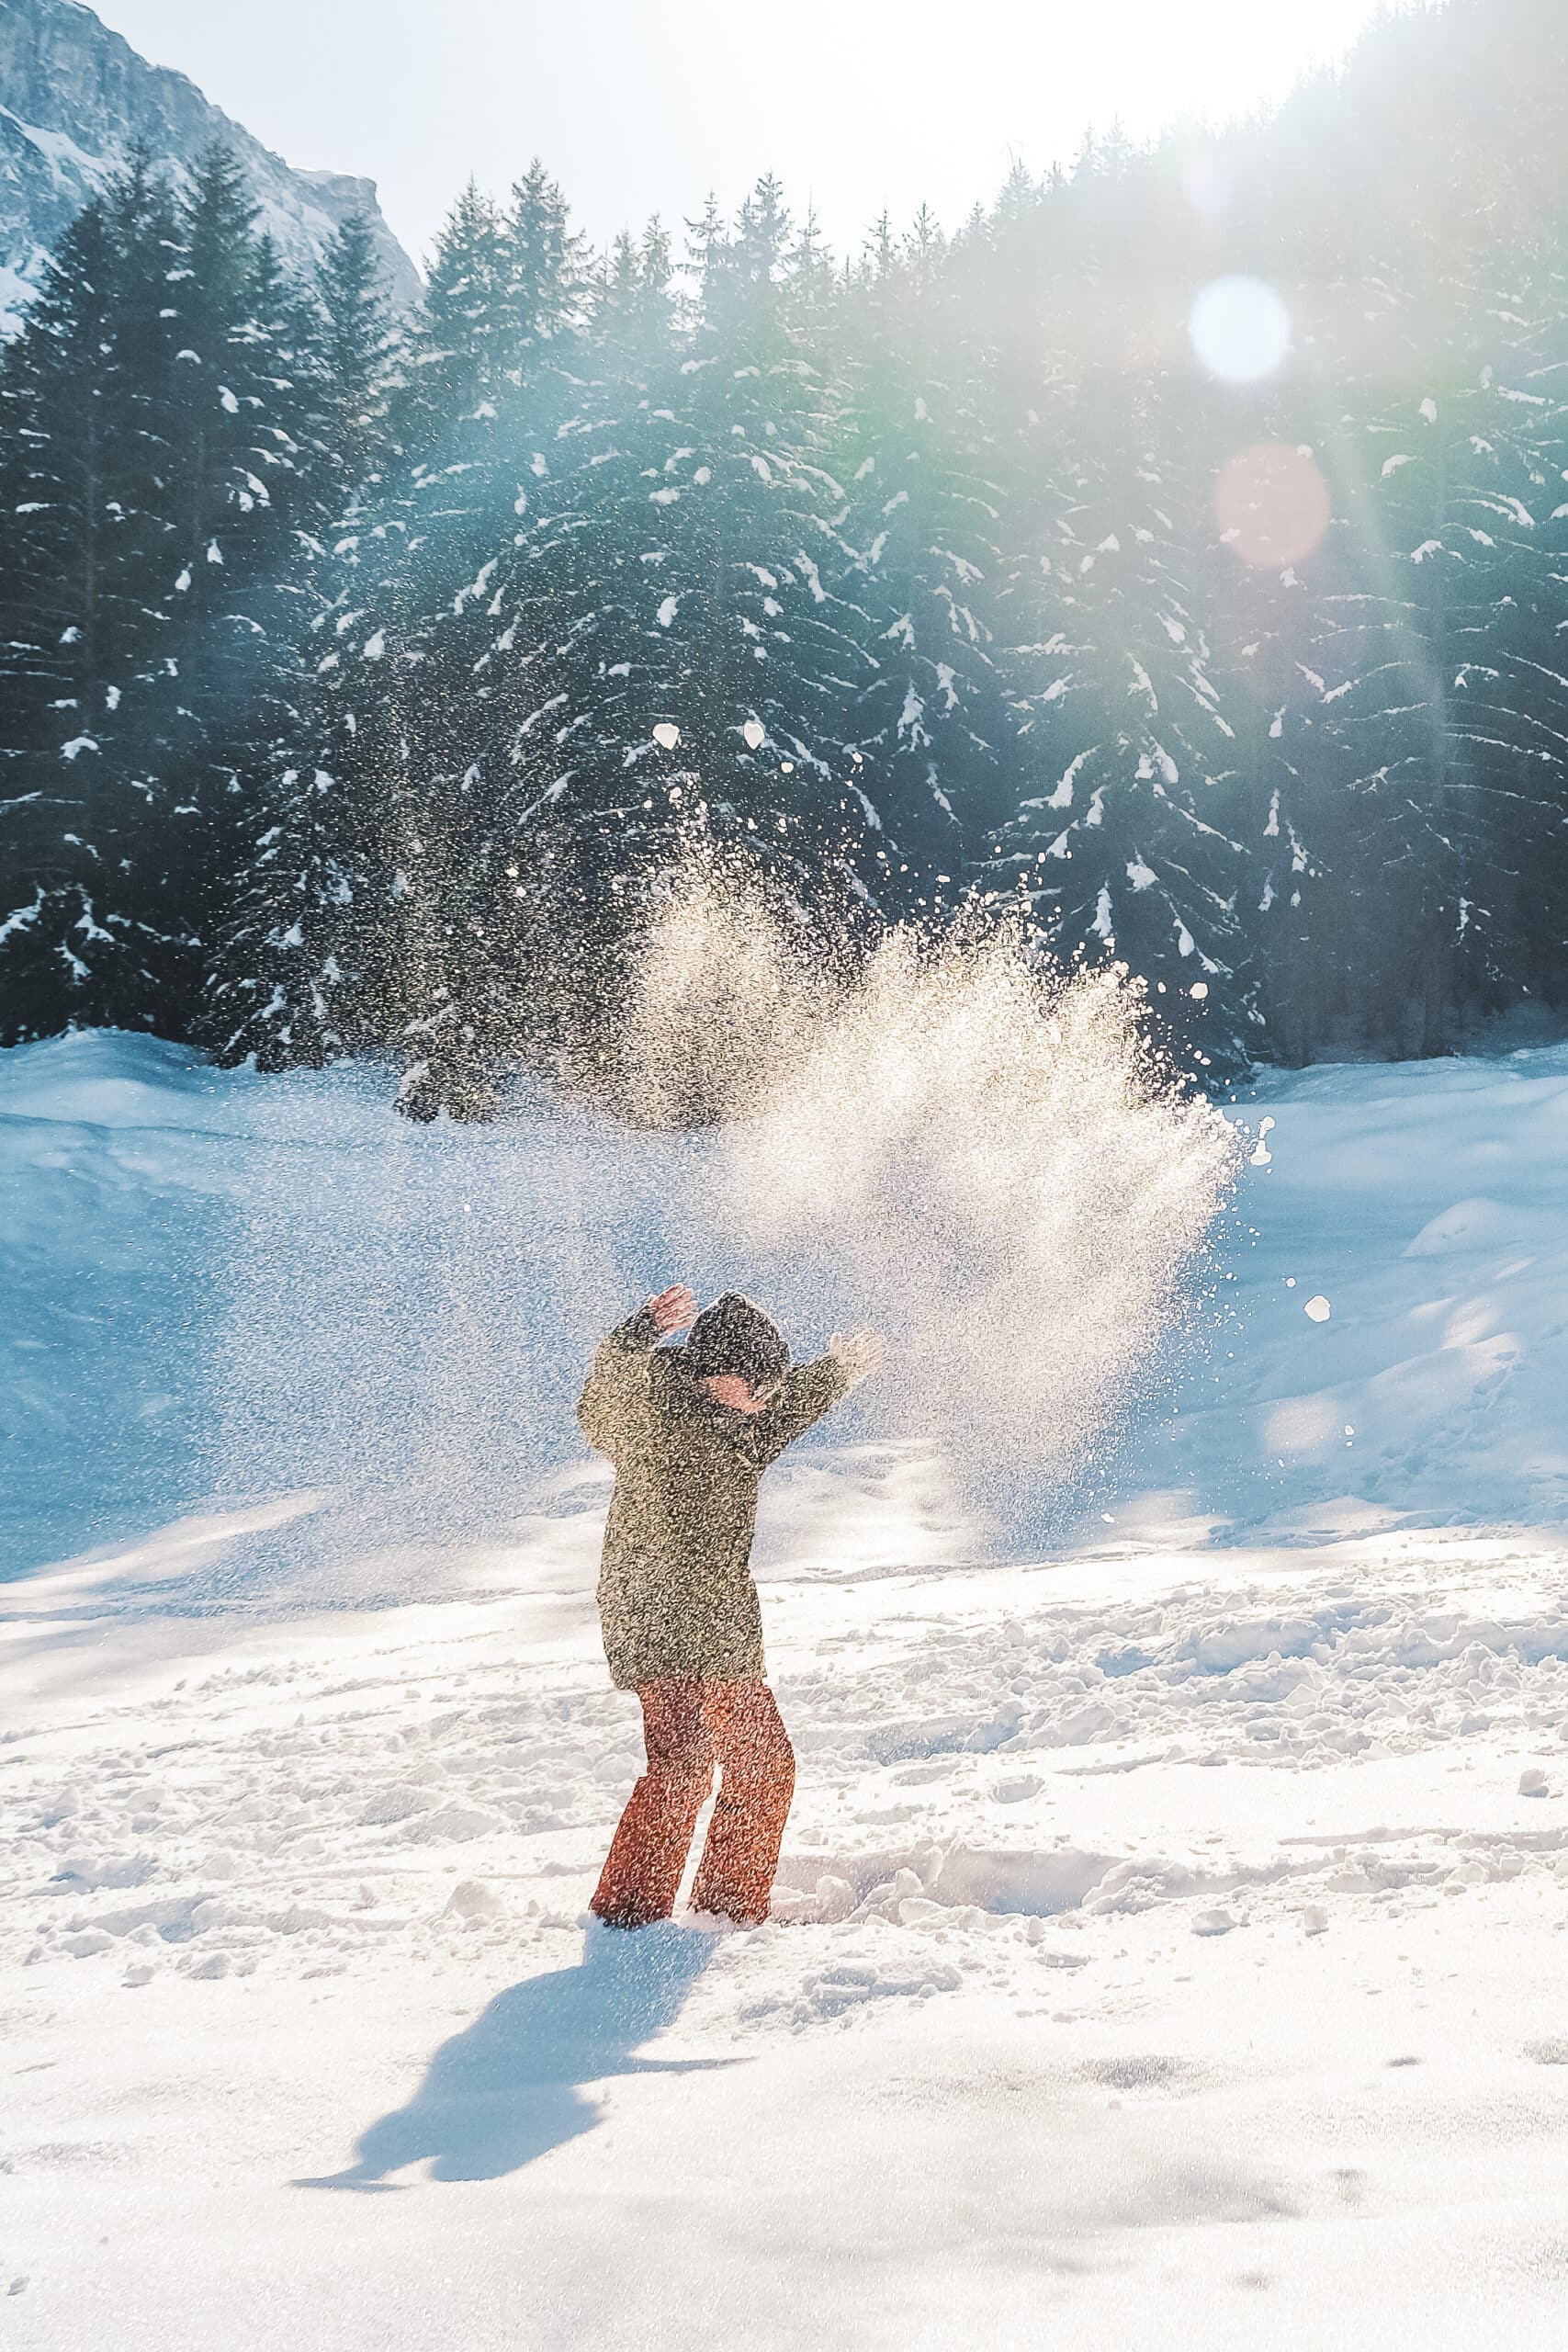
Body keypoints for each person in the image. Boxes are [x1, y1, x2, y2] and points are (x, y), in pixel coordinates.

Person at [579, 1285, 884, 1929]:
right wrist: (634, 1335)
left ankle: (727, 1908)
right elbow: (598, 1404)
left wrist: (839, 1369)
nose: (767, 1401)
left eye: (770, 1390)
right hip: (654, 1619)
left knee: (763, 1766)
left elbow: (795, 1402)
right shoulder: (649, 1416)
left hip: (721, 1625)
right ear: (720, 1372)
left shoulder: (748, 1429)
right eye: (757, 1386)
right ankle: (628, 1919)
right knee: (683, 1767)